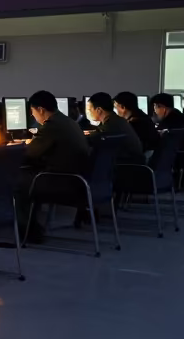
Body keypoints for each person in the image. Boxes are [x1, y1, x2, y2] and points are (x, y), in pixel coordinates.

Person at [12, 90, 92, 243]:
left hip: (62, 182)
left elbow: (29, 154)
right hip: (76, 180)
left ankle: (28, 232)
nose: (33, 116)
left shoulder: (52, 126)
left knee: (19, 184)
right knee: (28, 177)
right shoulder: (68, 121)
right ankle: (31, 227)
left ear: (41, 110)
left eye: (33, 112)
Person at [87, 92, 144, 163]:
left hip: (125, 167)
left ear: (99, 110)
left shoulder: (110, 125)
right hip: (133, 164)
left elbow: (93, 138)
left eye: (89, 110)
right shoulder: (119, 120)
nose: (88, 112)